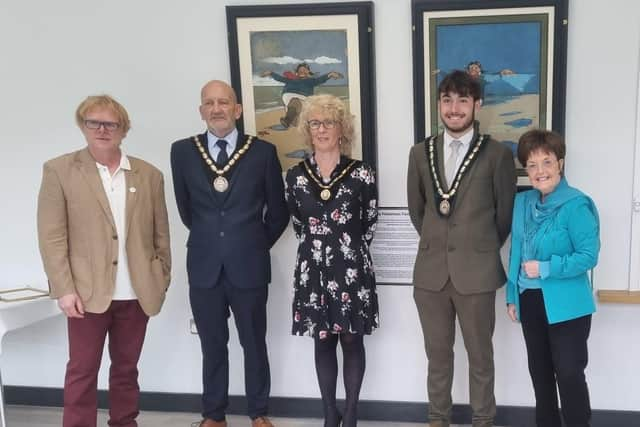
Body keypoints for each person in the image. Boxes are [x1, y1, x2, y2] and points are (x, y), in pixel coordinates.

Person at [37, 95, 171, 427]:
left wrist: (160, 277)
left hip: (136, 293)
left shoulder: (149, 175)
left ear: (123, 129)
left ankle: (124, 422)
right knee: (82, 370)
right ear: (82, 126)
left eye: (110, 124)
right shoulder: (60, 170)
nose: (102, 129)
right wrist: (64, 289)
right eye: (93, 122)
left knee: (126, 370)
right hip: (85, 294)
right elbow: (52, 237)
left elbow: (161, 236)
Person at [170, 80, 289, 427]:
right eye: (209, 103)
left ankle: (258, 413)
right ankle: (214, 415)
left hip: (249, 266)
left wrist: (251, 244)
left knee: (254, 343)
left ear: (237, 110)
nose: (217, 108)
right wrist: (216, 242)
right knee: (212, 344)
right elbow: (186, 210)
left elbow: (278, 212)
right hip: (205, 265)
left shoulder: (262, 152)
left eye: (224, 102)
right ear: (201, 110)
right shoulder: (182, 151)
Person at [406, 70, 516, 427]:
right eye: (447, 100)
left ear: (477, 105)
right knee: (437, 357)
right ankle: (438, 420)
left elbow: (503, 217)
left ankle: (483, 421)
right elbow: (418, 211)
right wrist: (441, 243)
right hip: (430, 276)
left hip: (477, 275)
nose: (454, 109)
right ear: (439, 104)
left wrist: (477, 248)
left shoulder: (497, 155)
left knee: (480, 357)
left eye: (463, 100)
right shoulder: (420, 153)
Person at [285, 94, 378, 427]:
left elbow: (369, 221)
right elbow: (298, 223)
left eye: (329, 122)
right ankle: (329, 412)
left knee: (352, 339)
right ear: (307, 130)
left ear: (343, 129)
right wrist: (321, 248)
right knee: (323, 339)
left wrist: (343, 248)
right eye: (315, 123)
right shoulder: (294, 176)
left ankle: (351, 413)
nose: (322, 129)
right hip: (314, 269)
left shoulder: (362, 174)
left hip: (351, 265)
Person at [506, 129, 599, 427]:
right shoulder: (523, 203)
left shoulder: (577, 204)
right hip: (530, 300)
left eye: (546, 162)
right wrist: (512, 295)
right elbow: (516, 251)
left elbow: (588, 256)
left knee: (569, 375)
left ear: (559, 163)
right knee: (541, 375)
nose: (539, 171)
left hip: (568, 304)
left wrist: (546, 268)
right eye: (531, 165)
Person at [260, 63, 343, 128]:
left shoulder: (311, 81)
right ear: (296, 73)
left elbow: (321, 79)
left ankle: (291, 120)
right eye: (300, 70)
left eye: (305, 70)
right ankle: (288, 119)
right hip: (289, 97)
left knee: (299, 118)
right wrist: (271, 73)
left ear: (308, 73)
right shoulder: (291, 80)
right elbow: (280, 78)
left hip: (304, 100)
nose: (302, 71)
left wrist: (331, 74)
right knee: (295, 102)